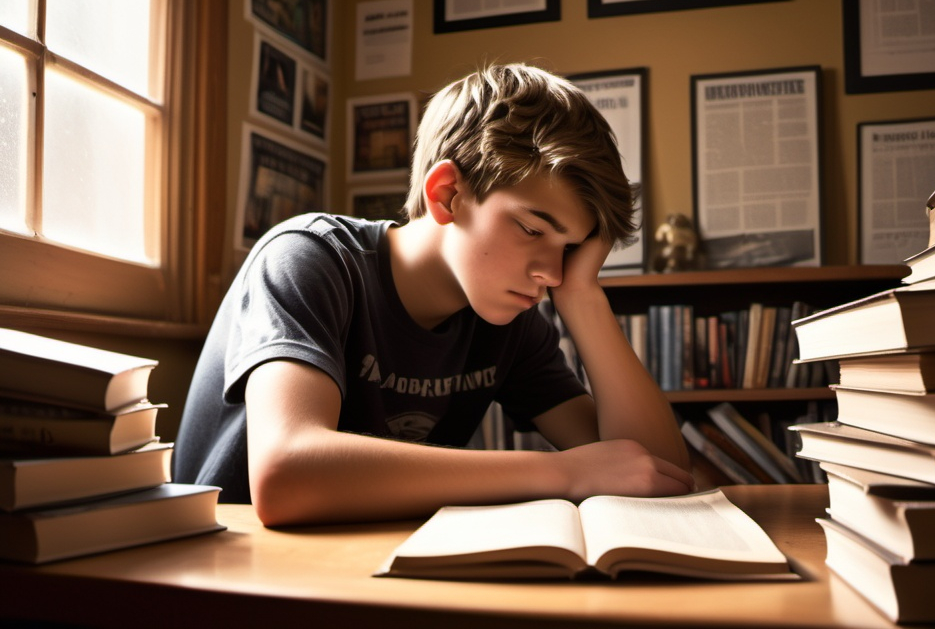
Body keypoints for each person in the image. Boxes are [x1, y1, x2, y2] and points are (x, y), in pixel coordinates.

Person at [173, 63, 693, 526]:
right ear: (447, 194)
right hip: (231, 579)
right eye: (534, 230)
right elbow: (286, 475)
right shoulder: (311, 259)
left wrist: (583, 298)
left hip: (371, 571)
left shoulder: (509, 321)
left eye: (571, 248)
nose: (551, 274)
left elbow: (656, 473)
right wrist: (562, 473)